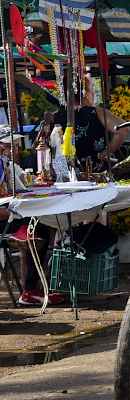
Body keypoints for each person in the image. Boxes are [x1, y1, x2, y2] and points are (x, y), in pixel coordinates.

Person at [0, 126, 60, 306]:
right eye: (9, 146)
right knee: (39, 227)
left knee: (39, 223)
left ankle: (31, 288)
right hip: (3, 220)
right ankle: (30, 290)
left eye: (15, 146)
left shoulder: (5, 162)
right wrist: (15, 215)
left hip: (7, 215)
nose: (13, 151)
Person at [74, 76, 130, 173]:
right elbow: (123, 129)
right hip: (95, 172)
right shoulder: (97, 113)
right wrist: (109, 150)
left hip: (63, 174)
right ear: (85, 93)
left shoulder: (55, 115)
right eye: (92, 87)